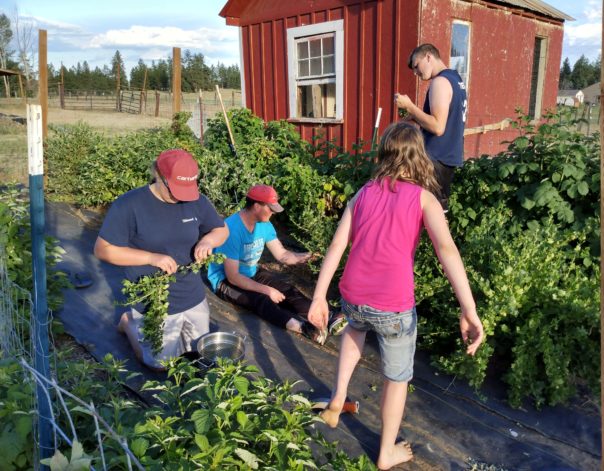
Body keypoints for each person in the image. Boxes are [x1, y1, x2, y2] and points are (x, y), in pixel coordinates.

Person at [307, 122, 483, 470]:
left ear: (384, 154)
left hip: (353, 296)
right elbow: (447, 251)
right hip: (393, 306)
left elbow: (338, 245)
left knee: (355, 333)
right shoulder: (424, 198)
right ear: (420, 157)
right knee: (397, 378)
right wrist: (469, 309)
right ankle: (386, 453)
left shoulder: (363, 192)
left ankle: (337, 401)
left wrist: (318, 297)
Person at [94, 149, 229, 371]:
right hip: (153, 297)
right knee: (159, 365)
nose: (180, 197)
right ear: (158, 175)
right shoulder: (129, 205)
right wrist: (151, 257)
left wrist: (209, 241)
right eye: (175, 190)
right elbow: (103, 250)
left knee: (198, 355)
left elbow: (221, 229)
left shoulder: (195, 200)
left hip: (191, 292)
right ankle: (128, 324)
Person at [207, 184, 346, 345]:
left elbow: (283, 255)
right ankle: (304, 328)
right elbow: (233, 277)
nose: (273, 213)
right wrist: (267, 290)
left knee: (288, 290)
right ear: (257, 206)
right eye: (270, 208)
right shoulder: (232, 229)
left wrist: (308, 256)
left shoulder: (264, 225)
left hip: (251, 272)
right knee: (262, 300)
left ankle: (327, 316)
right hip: (224, 281)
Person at [394, 43, 468, 211]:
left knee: (421, 213)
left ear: (428, 56)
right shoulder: (455, 79)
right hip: (447, 158)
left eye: (416, 66)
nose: (415, 73)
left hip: (435, 158)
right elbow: (446, 120)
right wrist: (415, 117)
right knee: (438, 214)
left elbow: (437, 127)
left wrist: (409, 106)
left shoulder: (440, 82)